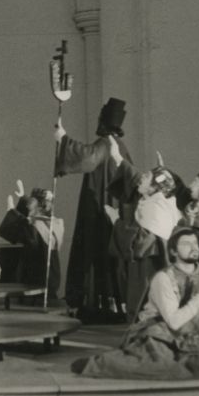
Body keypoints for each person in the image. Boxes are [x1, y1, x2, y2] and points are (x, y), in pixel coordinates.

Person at [71, 226, 199, 380]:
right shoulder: (163, 278)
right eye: (186, 244)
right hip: (161, 333)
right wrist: (198, 297)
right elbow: (173, 321)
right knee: (159, 362)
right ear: (173, 251)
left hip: (194, 336)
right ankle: (97, 365)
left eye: (195, 243)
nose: (193, 247)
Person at [53, 97, 133, 322]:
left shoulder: (107, 142)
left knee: (96, 252)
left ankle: (99, 307)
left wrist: (63, 139)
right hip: (110, 207)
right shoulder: (120, 145)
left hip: (100, 207)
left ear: (104, 122)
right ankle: (112, 304)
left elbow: (88, 158)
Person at [106, 135, 184, 321]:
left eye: (146, 177)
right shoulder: (153, 200)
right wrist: (117, 158)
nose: (141, 179)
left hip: (149, 267)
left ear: (154, 188)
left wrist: (115, 221)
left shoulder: (157, 208)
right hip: (148, 264)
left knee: (145, 305)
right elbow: (135, 180)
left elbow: (139, 242)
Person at [0, 183, 65, 301]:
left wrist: (13, 211)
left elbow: (21, 232)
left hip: (39, 277)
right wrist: (22, 200)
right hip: (51, 276)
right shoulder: (54, 223)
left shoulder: (36, 226)